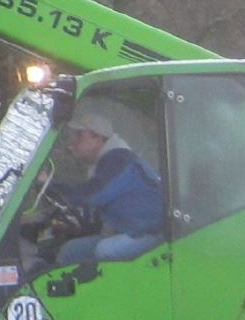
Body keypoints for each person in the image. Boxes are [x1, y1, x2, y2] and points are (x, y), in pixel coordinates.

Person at [50, 110, 165, 266]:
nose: (72, 142)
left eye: (79, 135)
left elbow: (93, 196)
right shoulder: (104, 161)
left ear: (98, 138)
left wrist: (52, 186)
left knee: (105, 250)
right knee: (71, 250)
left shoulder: (118, 159)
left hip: (149, 233)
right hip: (130, 229)